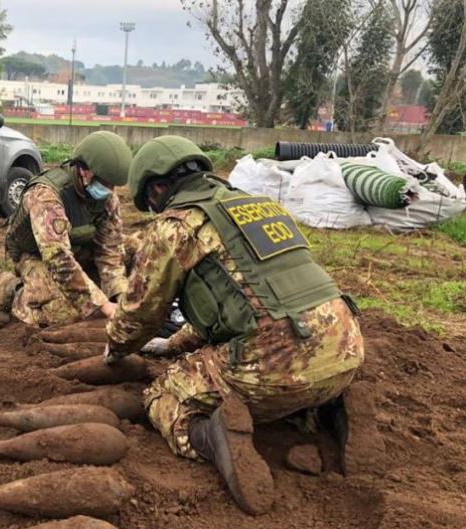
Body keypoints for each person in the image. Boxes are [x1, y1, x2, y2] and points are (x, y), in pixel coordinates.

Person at [103, 136, 366, 515]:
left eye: (152, 200)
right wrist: (175, 342)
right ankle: (334, 408)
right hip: (347, 348)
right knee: (294, 370)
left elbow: (140, 313)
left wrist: (115, 347)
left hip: (273, 366)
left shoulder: (175, 226)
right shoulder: (261, 206)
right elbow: (251, 300)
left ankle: (209, 436)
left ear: (157, 187)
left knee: (162, 394)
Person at [0, 131, 133, 328]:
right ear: (84, 170)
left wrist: (120, 294)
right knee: (62, 314)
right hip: (35, 254)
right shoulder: (46, 196)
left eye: (113, 185)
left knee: (139, 249)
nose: (110, 191)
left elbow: (111, 249)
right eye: (105, 183)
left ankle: (91, 286)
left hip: (76, 247)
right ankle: (14, 289)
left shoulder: (106, 198)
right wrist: (105, 306)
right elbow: (58, 258)